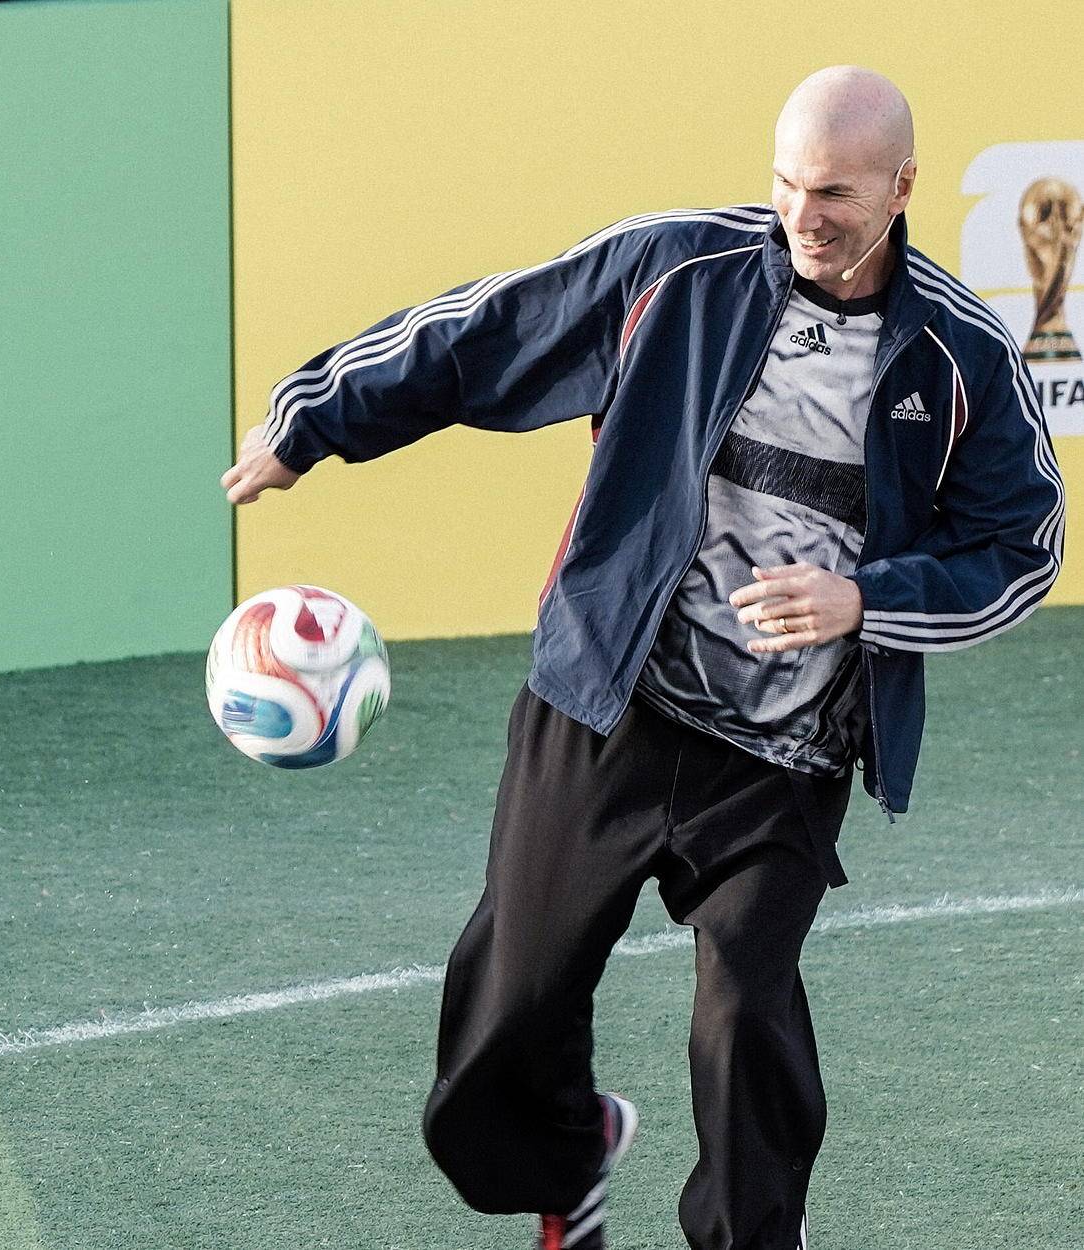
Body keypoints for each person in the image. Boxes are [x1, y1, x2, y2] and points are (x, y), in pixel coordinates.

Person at [220, 67, 1064, 1250]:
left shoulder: (957, 352)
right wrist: (311, 419)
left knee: (743, 1017)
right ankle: (570, 1158)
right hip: (610, 703)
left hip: (784, 755)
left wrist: (863, 600)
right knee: (504, 1015)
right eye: (786, 183)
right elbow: (485, 331)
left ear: (901, 187)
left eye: (833, 192)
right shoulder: (674, 269)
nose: (803, 214)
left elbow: (1021, 547)